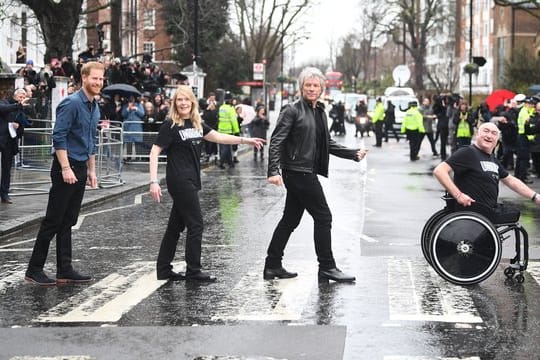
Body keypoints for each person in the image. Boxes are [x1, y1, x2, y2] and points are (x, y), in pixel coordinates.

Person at [149, 85, 265, 282]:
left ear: (192, 102)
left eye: (186, 99)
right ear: (175, 103)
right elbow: (154, 151)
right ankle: (193, 270)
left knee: (175, 226)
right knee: (196, 224)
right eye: (179, 100)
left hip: (192, 179)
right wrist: (153, 181)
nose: (183, 103)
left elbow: (219, 137)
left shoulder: (197, 124)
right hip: (179, 180)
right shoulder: (170, 125)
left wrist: (245, 140)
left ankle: (163, 268)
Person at [264, 67, 368, 283]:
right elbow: (276, 141)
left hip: (305, 171)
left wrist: (353, 154)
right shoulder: (291, 110)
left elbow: (325, 143)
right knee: (323, 217)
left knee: (290, 220)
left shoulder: (319, 111)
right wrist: (273, 170)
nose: (311, 89)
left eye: (315, 85)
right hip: (298, 172)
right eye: (308, 85)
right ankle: (327, 267)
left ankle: (272, 265)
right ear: (301, 87)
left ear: (322, 88)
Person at [25, 61, 105, 286]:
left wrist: (91, 171)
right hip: (66, 166)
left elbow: (91, 142)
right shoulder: (71, 104)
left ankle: (65, 269)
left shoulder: (94, 107)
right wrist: (66, 168)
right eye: (94, 78)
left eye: (101, 79)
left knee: (68, 220)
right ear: (84, 78)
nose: (98, 82)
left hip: (80, 166)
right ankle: (34, 269)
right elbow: (58, 137)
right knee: (53, 220)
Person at [433, 122, 540, 225]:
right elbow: (439, 171)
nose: (489, 136)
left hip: (487, 211)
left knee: (514, 214)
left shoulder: (492, 159)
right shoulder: (468, 152)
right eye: (486, 131)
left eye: (494, 133)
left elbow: (510, 180)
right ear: (477, 134)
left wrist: (535, 196)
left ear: (498, 140)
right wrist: (458, 195)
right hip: (473, 212)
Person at [0, 88, 30, 203]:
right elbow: (3, 109)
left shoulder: (21, 109)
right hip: (1, 138)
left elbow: (24, 124)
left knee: (7, 169)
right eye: (20, 97)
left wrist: (18, 127)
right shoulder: (5, 102)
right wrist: (18, 106)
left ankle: (4, 193)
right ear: (15, 96)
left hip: (10, 141)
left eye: (23, 98)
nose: (22, 100)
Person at [217, 92, 239, 169]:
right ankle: (221, 162)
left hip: (220, 130)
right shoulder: (231, 109)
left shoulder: (221, 107)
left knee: (224, 147)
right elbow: (234, 120)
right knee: (226, 148)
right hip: (228, 131)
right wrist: (236, 131)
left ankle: (230, 162)